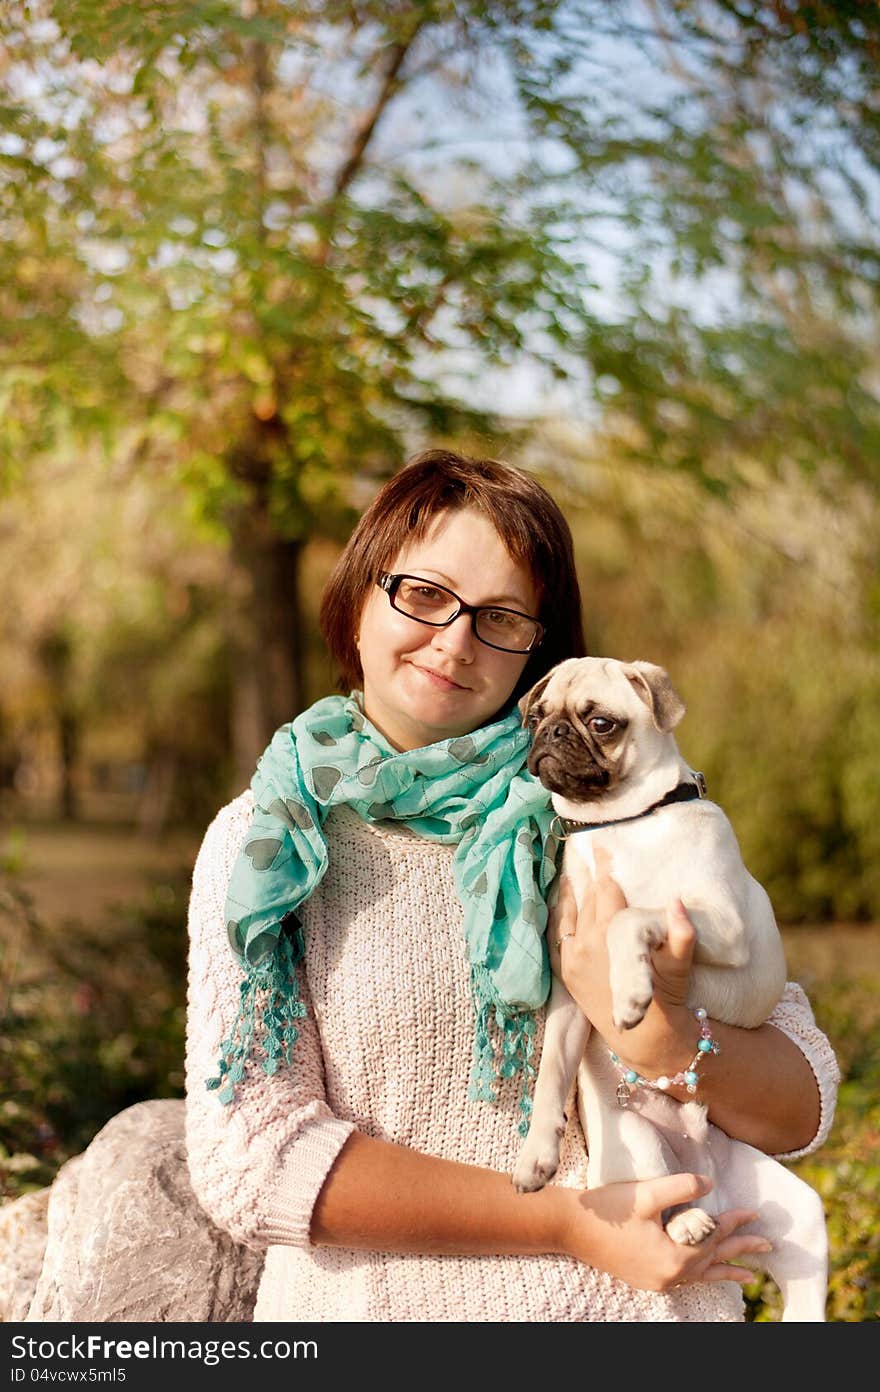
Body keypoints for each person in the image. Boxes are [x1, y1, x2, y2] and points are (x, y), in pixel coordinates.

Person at [184, 449, 839, 1323]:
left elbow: (803, 1104)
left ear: (541, 647)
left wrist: (670, 1042)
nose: (455, 641)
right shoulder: (271, 845)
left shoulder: (616, 811)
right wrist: (568, 1225)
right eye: (423, 595)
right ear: (356, 596)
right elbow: (250, 1159)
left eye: (500, 617)